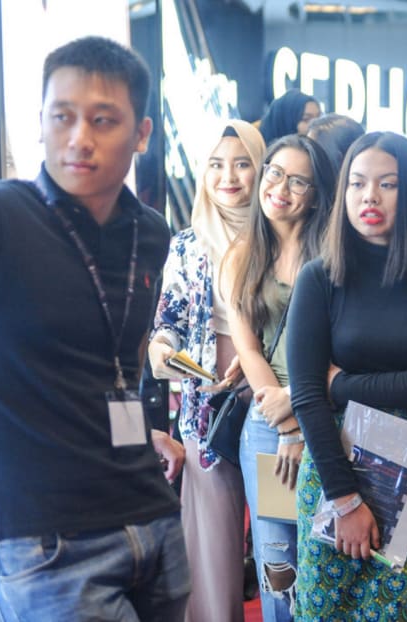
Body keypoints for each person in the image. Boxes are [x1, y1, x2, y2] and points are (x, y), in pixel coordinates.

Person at [0, 36, 190, 620]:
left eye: (103, 120)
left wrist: (136, 426)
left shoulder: (150, 234)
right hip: (48, 539)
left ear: (141, 133)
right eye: (63, 117)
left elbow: (112, 356)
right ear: (40, 124)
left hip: (151, 518)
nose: (80, 137)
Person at [287, 131, 407, 620]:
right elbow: (308, 397)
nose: (369, 196)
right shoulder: (319, 277)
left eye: (387, 184)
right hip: (335, 474)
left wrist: (343, 385)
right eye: (356, 183)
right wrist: (345, 500)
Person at [148, 119, 266, 622]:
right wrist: (163, 347)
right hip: (204, 416)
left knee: (280, 544)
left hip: (271, 413)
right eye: (216, 165)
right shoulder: (187, 243)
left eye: (242, 164)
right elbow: (169, 318)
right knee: (211, 559)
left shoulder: (280, 238)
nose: (229, 176)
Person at [223, 134, 336, 622]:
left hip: (330, 414)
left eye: (297, 181)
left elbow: (349, 345)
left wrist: (301, 403)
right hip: (269, 425)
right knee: (277, 557)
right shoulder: (241, 255)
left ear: (317, 193)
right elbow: (247, 347)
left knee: (328, 555)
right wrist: (286, 420)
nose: (280, 188)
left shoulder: (335, 255)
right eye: (273, 172)